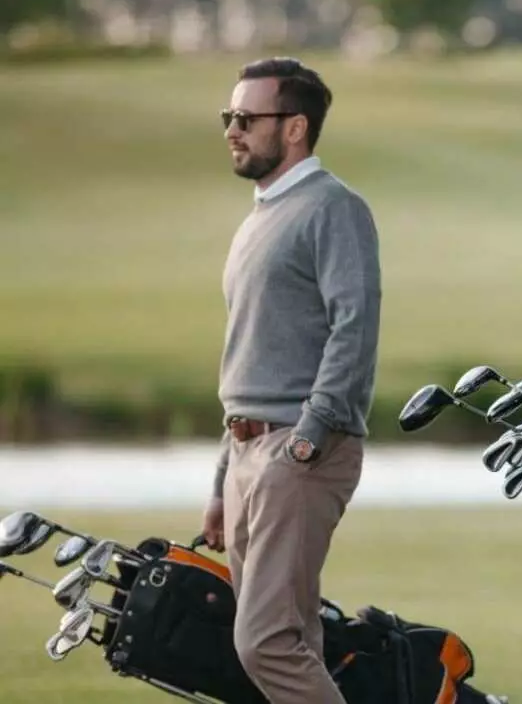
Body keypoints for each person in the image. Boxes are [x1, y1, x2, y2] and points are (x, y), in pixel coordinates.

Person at [200, 57, 381, 704]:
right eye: (230, 117)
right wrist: (225, 480)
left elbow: (354, 327)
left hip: (298, 451)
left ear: (296, 127)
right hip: (251, 453)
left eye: (247, 118)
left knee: (266, 642)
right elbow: (246, 359)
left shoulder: (334, 208)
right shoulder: (260, 218)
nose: (232, 129)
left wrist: (310, 435)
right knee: (288, 642)